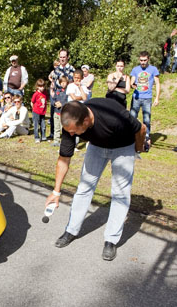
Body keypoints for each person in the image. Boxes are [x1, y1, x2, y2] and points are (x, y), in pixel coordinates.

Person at [45, 99, 146, 261]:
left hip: (122, 147)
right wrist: (56, 191)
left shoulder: (115, 116)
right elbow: (64, 158)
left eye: (74, 131)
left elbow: (141, 128)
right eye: (69, 131)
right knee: (84, 187)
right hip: (97, 146)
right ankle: (71, 230)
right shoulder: (71, 121)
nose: (71, 134)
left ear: (86, 121)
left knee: (120, 193)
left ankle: (111, 240)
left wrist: (138, 148)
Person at [130, 51, 160, 150]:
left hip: (147, 97)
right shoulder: (135, 69)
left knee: (146, 119)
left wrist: (157, 98)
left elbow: (158, 83)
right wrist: (132, 85)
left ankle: (146, 139)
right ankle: (131, 138)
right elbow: (132, 81)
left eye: (145, 60)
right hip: (136, 97)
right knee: (132, 118)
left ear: (148, 59)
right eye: (141, 60)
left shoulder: (153, 69)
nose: (143, 62)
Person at [51, 76, 68, 144]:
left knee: (63, 128)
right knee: (56, 128)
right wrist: (55, 103)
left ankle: (64, 141)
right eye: (62, 82)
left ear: (67, 83)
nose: (63, 84)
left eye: (64, 82)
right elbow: (52, 100)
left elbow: (68, 101)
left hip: (63, 113)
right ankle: (56, 141)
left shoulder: (68, 92)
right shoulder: (57, 91)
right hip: (56, 112)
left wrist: (62, 104)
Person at [31, 79, 48, 143]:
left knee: (43, 124)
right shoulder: (36, 94)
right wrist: (34, 109)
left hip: (42, 112)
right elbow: (32, 102)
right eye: (40, 86)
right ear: (37, 86)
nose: (42, 88)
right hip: (36, 112)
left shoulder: (45, 93)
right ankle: (37, 137)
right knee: (36, 125)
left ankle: (43, 136)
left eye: (43, 86)